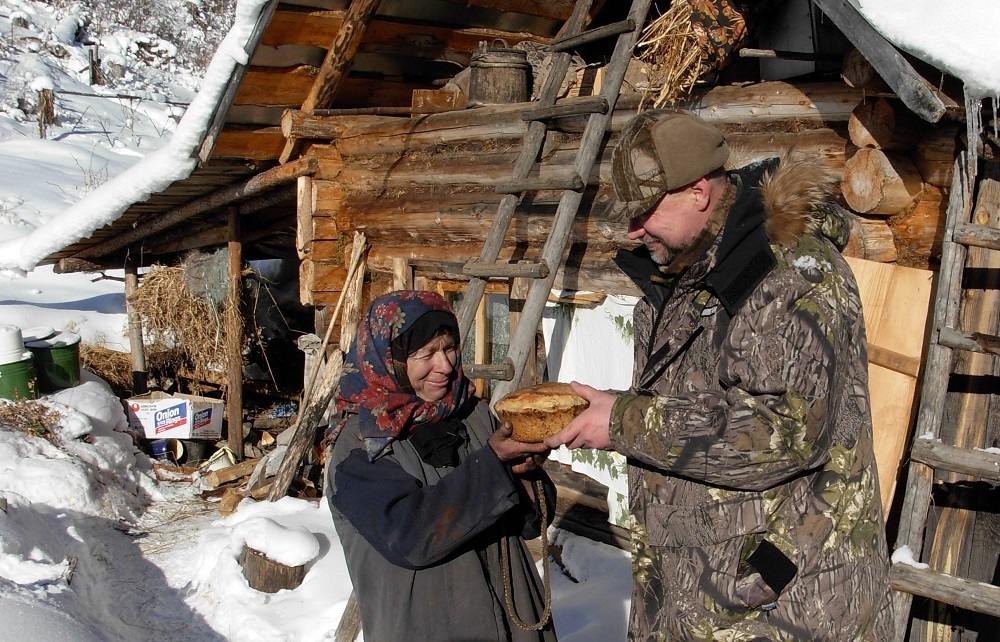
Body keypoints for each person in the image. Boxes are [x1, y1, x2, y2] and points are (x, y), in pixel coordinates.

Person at [545, 111, 894, 640]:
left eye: (644, 212)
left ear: (699, 193)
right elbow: (696, 408)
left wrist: (621, 422)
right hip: (693, 598)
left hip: (783, 606)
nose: (632, 230)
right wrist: (601, 409)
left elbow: (782, 433)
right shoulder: (681, 280)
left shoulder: (790, 275)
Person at [324, 290, 558, 642]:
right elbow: (410, 535)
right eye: (427, 353)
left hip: (516, 623)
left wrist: (526, 473)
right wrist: (493, 466)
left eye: (449, 348)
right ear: (390, 358)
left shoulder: (473, 413)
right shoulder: (361, 444)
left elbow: (532, 521)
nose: (446, 366)